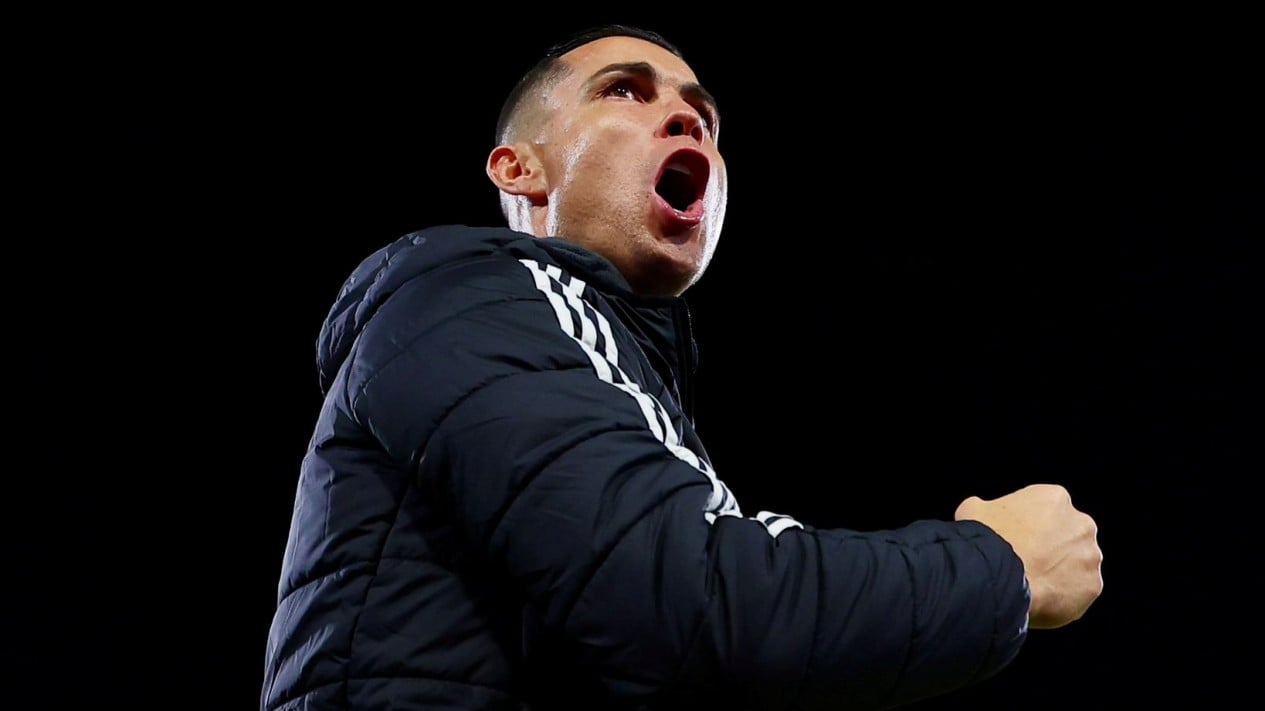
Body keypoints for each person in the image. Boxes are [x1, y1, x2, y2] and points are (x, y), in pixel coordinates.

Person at [260, 23, 1104, 711]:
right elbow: (692, 605)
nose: (685, 118)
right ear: (520, 169)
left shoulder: (598, 362)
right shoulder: (480, 299)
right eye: (624, 91)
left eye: (703, 113)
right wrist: (999, 567)